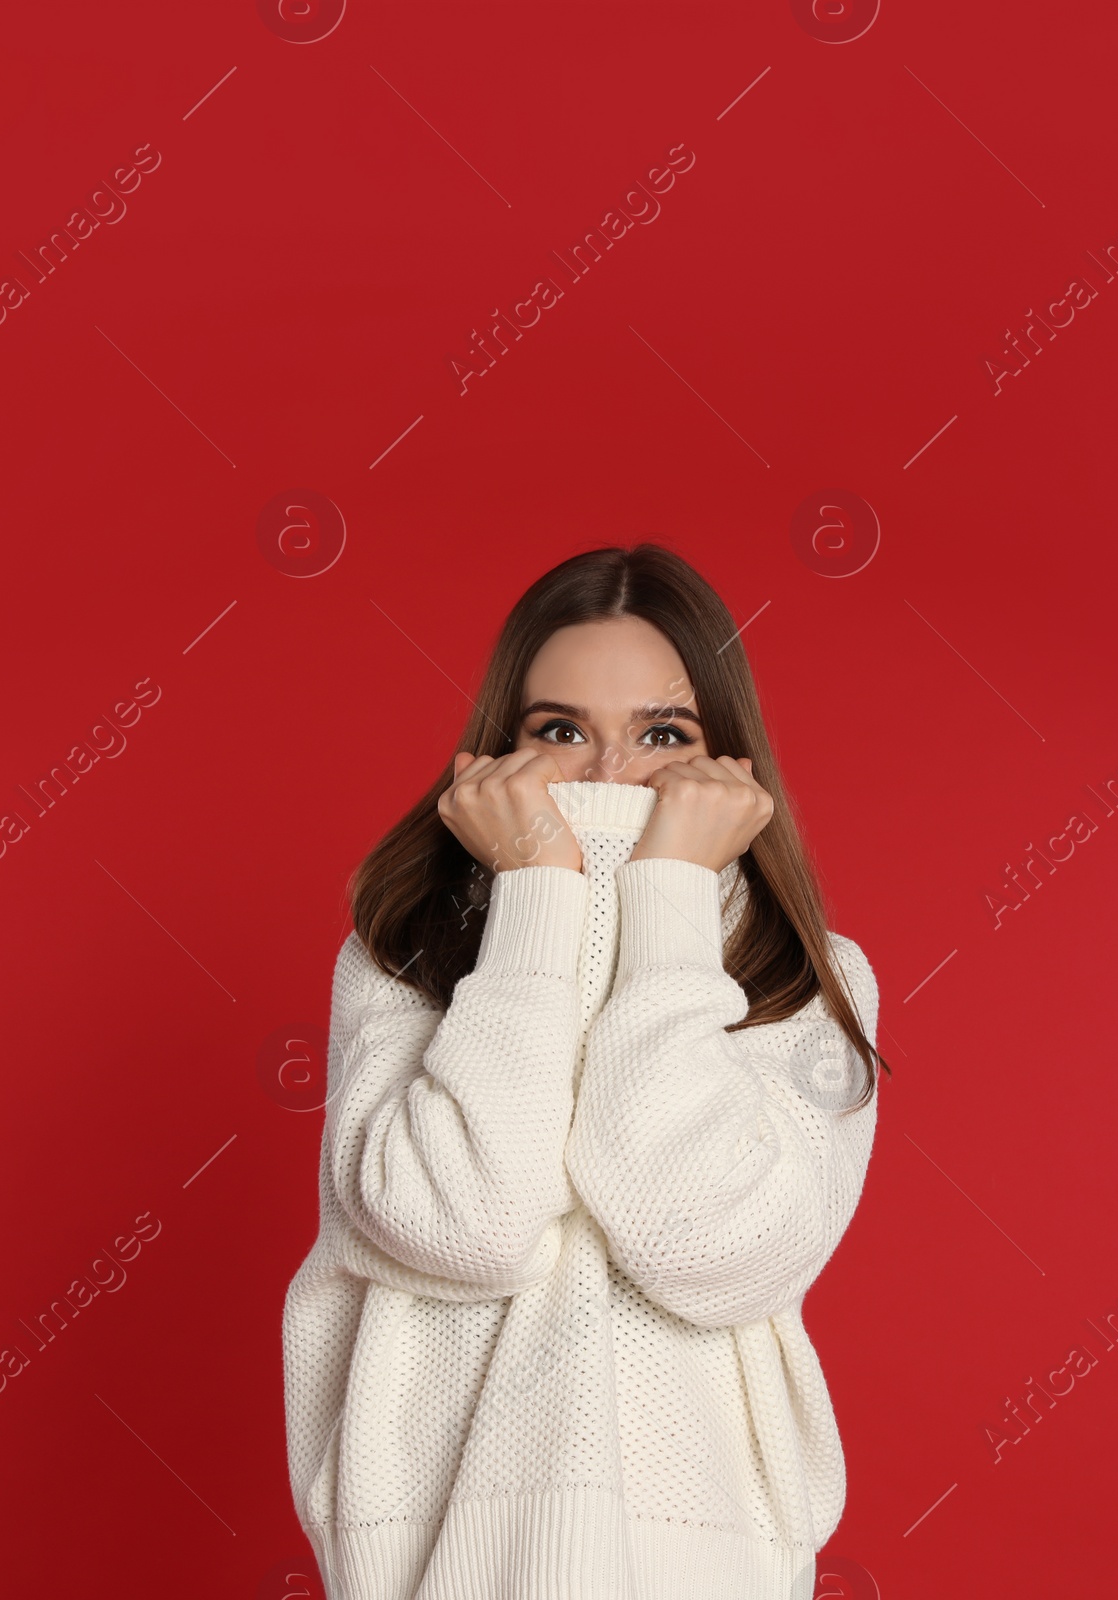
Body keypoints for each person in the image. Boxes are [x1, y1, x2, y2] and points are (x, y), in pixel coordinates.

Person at [281, 543, 888, 1600]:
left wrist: (660, 896)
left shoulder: (808, 980)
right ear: (492, 758)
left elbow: (705, 1248)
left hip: (706, 1563)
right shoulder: (402, 961)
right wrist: (539, 902)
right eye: (560, 732)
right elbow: (464, 1223)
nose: (610, 779)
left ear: (730, 766)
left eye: (663, 735)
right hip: (427, 1557)